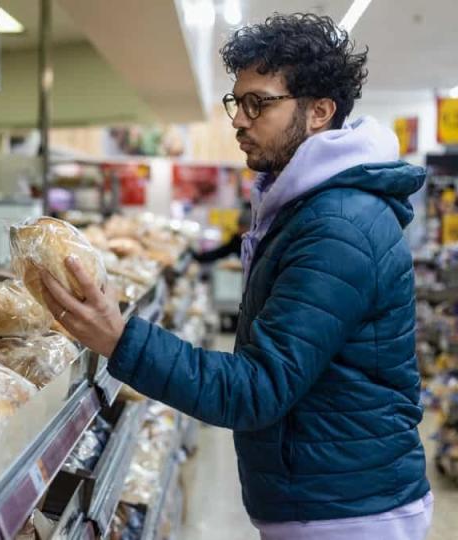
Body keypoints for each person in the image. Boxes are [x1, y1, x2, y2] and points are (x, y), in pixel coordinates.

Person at [38, 13, 432, 540]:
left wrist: (120, 338)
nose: (238, 120)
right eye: (236, 102)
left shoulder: (337, 225)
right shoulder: (308, 207)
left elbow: (256, 390)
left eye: (258, 103)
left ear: (319, 112)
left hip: (345, 512)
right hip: (330, 494)